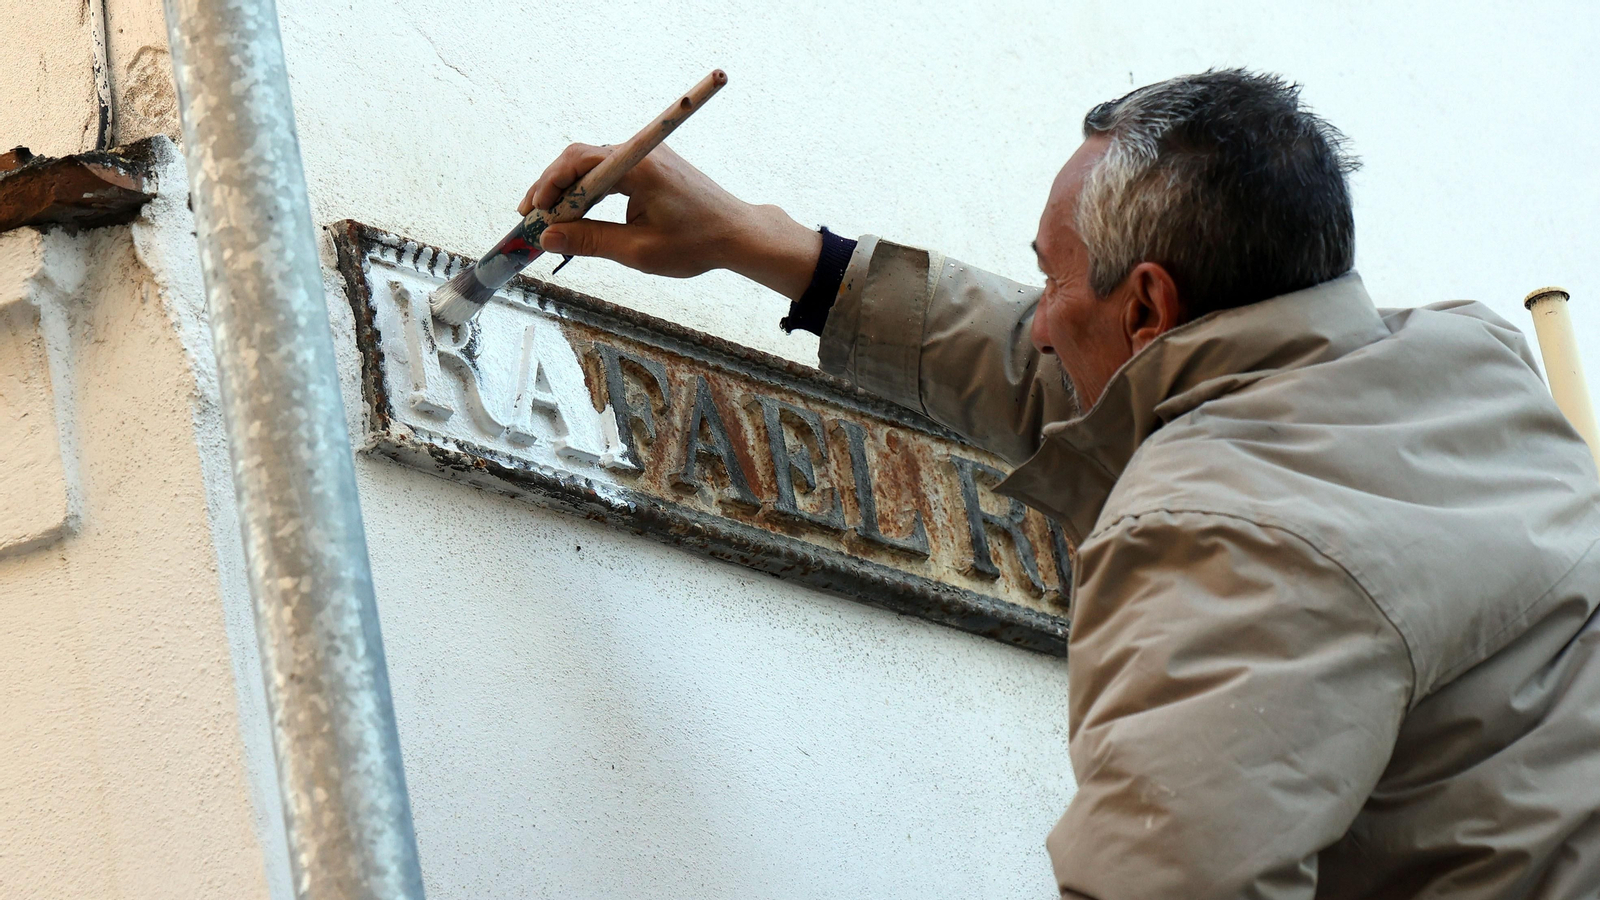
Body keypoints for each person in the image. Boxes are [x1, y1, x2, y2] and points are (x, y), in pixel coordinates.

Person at [523, 70, 1600, 899]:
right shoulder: (1458, 362)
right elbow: (1095, 386)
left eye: (1047, 278)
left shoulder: (1217, 533)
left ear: (1147, 305)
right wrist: (786, 254)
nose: (1036, 318)